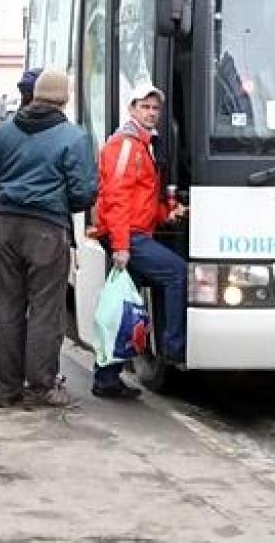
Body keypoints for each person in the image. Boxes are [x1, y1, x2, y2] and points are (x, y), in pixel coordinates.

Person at [0, 69, 97, 409]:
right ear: (65, 98)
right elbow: (84, 192)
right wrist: (55, 202)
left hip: (7, 227)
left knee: (9, 308)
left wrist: (10, 197)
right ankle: (42, 386)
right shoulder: (73, 137)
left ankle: (7, 390)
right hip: (47, 230)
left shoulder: (6, 131)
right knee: (46, 310)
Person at [93, 84, 187, 399]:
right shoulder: (126, 147)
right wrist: (120, 245)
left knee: (121, 308)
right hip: (128, 236)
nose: (150, 113)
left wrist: (165, 214)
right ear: (132, 109)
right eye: (144, 107)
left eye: (155, 108)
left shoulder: (141, 145)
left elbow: (138, 199)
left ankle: (106, 379)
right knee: (176, 273)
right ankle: (174, 348)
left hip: (131, 233)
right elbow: (115, 198)